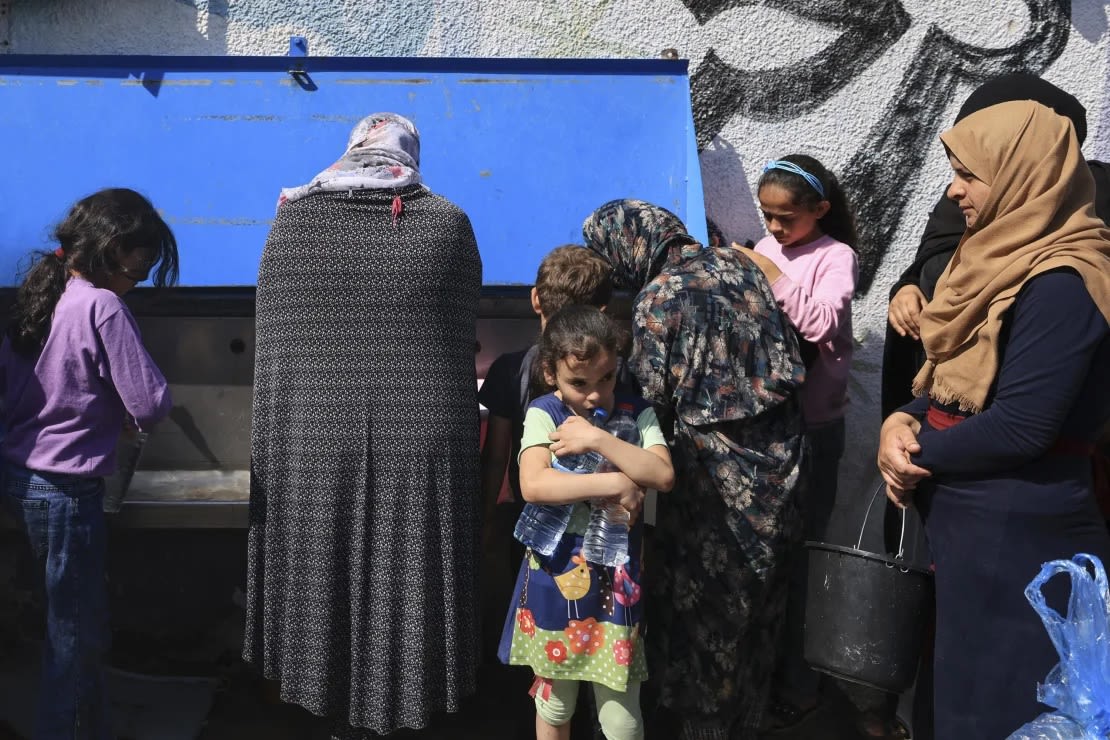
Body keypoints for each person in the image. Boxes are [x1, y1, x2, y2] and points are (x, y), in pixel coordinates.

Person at [244, 112, 483, 737]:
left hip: (314, 435)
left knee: (325, 557)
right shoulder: (447, 224)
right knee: (409, 567)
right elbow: (457, 341)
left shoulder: (293, 219)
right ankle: (402, 706)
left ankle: (324, 700)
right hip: (421, 437)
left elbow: (277, 346)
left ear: (352, 147)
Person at [877, 100, 1110, 738]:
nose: (953, 192)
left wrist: (913, 453)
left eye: (968, 174)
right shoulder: (989, 262)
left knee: (996, 711)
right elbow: (949, 384)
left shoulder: (1064, 282)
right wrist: (899, 420)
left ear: (1023, 174)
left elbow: (1021, 426)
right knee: (952, 704)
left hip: (1019, 543)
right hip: (970, 534)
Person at [584, 199, 806, 740]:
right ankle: (747, 721)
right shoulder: (741, 265)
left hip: (716, 478)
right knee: (758, 606)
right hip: (783, 463)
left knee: (707, 610)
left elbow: (647, 401)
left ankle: (700, 727)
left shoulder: (659, 298)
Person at [0, 188, 178, 739]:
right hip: (67, 493)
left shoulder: (41, 292)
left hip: (21, 480)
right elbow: (150, 402)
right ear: (113, 248)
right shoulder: (102, 305)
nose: (138, 281)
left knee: (71, 628)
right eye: (139, 269)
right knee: (74, 639)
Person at [882, 73, 1110, 419]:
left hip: (1028, 404)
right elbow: (936, 257)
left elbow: (1023, 427)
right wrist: (907, 286)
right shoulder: (964, 198)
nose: (956, 188)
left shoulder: (1095, 195)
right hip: (946, 393)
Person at [497, 304, 674, 740]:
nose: (594, 395)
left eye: (606, 378)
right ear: (550, 372)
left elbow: (663, 474)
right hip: (556, 578)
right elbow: (534, 484)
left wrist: (597, 438)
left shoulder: (637, 413)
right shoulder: (544, 412)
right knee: (556, 702)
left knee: (622, 716)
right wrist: (617, 482)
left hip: (616, 585)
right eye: (579, 382)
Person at [735, 154, 858, 731]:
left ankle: (802, 683)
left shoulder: (835, 257)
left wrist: (768, 271)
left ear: (820, 211)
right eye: (768, 217)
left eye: (787, 218)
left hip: (813, 429)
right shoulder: (769, 245)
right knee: (766, 558)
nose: (776, 229)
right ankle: (760, 675)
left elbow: (822, 324)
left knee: (804, 553)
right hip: (768, 426)